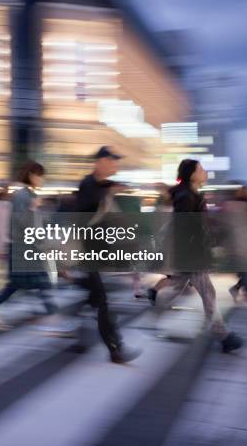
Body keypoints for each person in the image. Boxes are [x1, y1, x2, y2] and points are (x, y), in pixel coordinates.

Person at [153, 159, 243, 353]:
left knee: (176, 288)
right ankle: (223, 335)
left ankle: (156, 302)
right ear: (192, 174)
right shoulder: (186, 196)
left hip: (189, 253)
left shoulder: (190, 194)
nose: (205, 172)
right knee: (207, 293)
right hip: (191, 254)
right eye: (201, 169)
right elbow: (185, 226)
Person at [0, 162, 66, 333]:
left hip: (28, 249)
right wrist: (33, 211)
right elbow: (23, 223)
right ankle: (54, 320)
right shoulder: (22, 196)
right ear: (32, 175)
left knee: (20, 285)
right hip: (23, 250)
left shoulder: (28, 195)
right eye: (40, 175)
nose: (42, 180)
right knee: (40, 283)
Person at [72, 146, 141, 364]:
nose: (115, 165)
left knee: (93, 298)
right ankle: (116, 349)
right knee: (102, 302)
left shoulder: (103, 188)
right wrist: (109, 190)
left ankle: (79, 335)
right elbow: (84, 213)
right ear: (100, 161)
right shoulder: (88, 185)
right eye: (112, 161)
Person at [223, 183, 247, 301]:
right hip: (244, 241)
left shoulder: (234, 205)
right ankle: (239, 287)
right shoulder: (244, 205)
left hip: (239, 241)